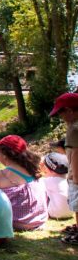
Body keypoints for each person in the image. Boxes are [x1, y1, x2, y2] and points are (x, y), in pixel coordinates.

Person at [0, 135, 47, 231]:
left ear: (4, 154)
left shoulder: (0, 175)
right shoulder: (34, 170)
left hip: (15, 222)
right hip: (38, 221)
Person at [50, 93, 78, 240]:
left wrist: (75, 178)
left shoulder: (74, 129)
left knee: (77, 204)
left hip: (77, 174)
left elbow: (76, 154)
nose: (61, 117)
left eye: (61, 113)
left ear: (70, 110)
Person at [42, 150, 71, 220]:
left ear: (50, 170)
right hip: (71, 211)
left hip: (56, 213)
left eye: (45, 168)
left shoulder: (50, 181)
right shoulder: (68, 179)